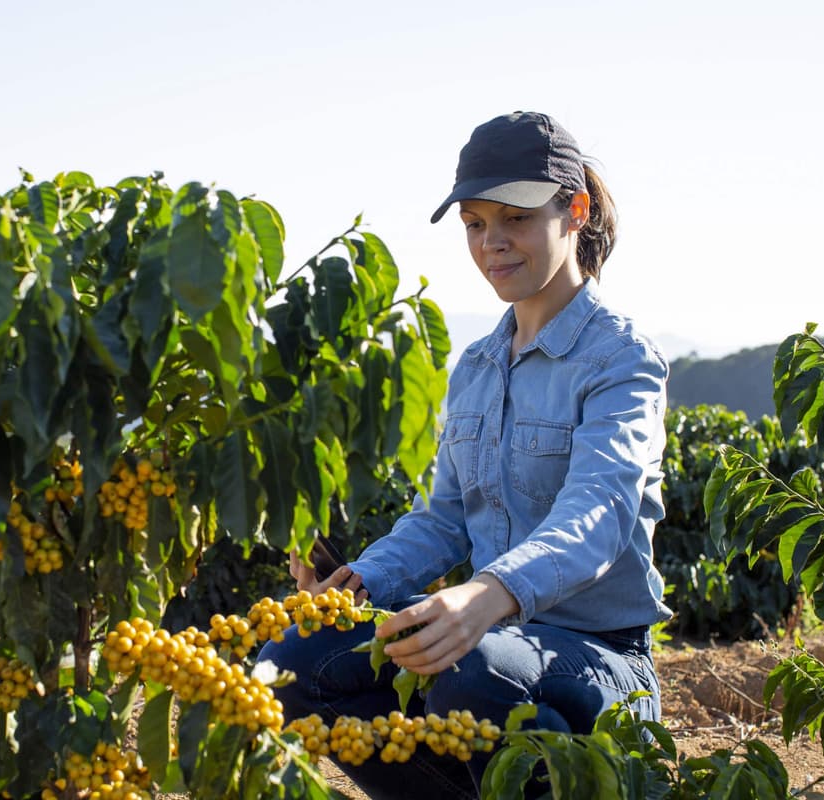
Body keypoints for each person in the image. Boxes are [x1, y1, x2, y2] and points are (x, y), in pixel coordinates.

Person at [257, 111, 672, 799]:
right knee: (294, 658)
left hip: (603, 666)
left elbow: (597, 514)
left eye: (513, 218)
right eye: (475, 224)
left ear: (574, 211)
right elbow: (445, 518)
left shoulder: (620, 361)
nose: (492, 243)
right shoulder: (478, 365)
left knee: (471, 670)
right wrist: (359, 581)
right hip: (489, 644)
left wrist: (487, 596)